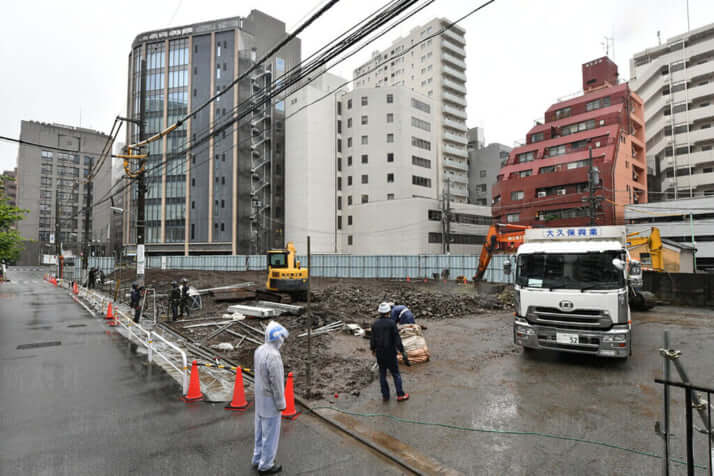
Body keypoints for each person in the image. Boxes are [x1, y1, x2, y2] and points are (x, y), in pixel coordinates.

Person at [252, 321, 289, 474]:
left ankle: (257, 458)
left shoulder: (260, 350)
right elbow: (277, 383)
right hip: (270, 401)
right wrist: (281, 403)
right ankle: (266, 464)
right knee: (271, 435)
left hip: (260, 397)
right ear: (277, 338)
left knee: (259, 432)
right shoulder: (274, 356)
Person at [371, 302, 410, 402]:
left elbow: (372, 339)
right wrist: (402, 351)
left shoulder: (375, 324)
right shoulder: (392, 323)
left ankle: (385, 396)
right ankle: (400, 394)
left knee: (382, 374)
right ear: (388, 312)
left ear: (380, 312)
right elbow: (397, 339)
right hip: (391, 353)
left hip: (380, 353)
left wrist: (373, 349)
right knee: (396, 374)